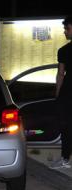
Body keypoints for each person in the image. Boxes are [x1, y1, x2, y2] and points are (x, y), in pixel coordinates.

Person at [51, 16, 72, 169]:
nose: (65, 32)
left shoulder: (64, 50)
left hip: (68, 92)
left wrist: (58, 94)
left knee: (67, 126)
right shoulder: (63, 50)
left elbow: (60, 74)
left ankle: (65, 159)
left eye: (67, 28)